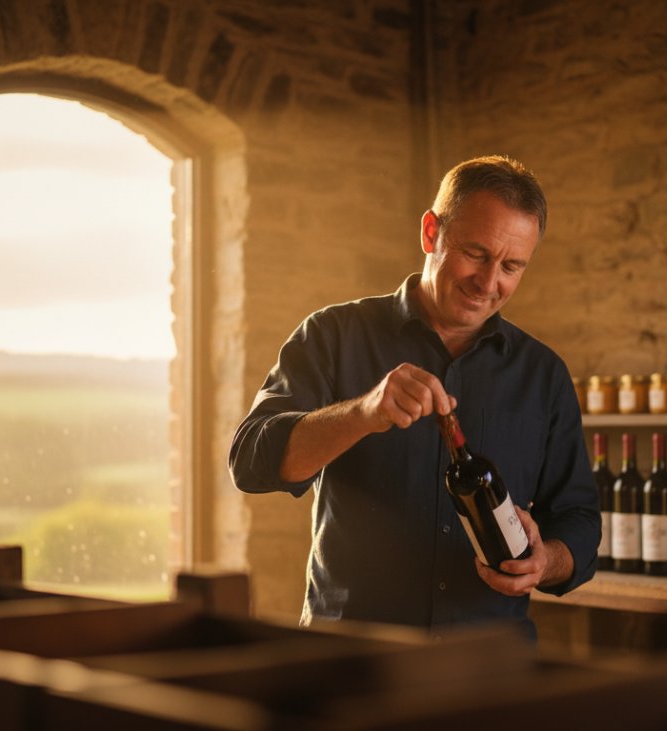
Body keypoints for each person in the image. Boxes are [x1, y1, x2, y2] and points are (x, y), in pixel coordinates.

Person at [229, 155, 600, 637]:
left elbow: (579, 519)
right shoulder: (332, 335)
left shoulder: (544, 373)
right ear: (431, 233)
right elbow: (251, 462)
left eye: (511, 266)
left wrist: (547, 560)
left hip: (488, 670)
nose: (489, 283)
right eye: (475, 253)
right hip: (350, 659)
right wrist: (363, 412)